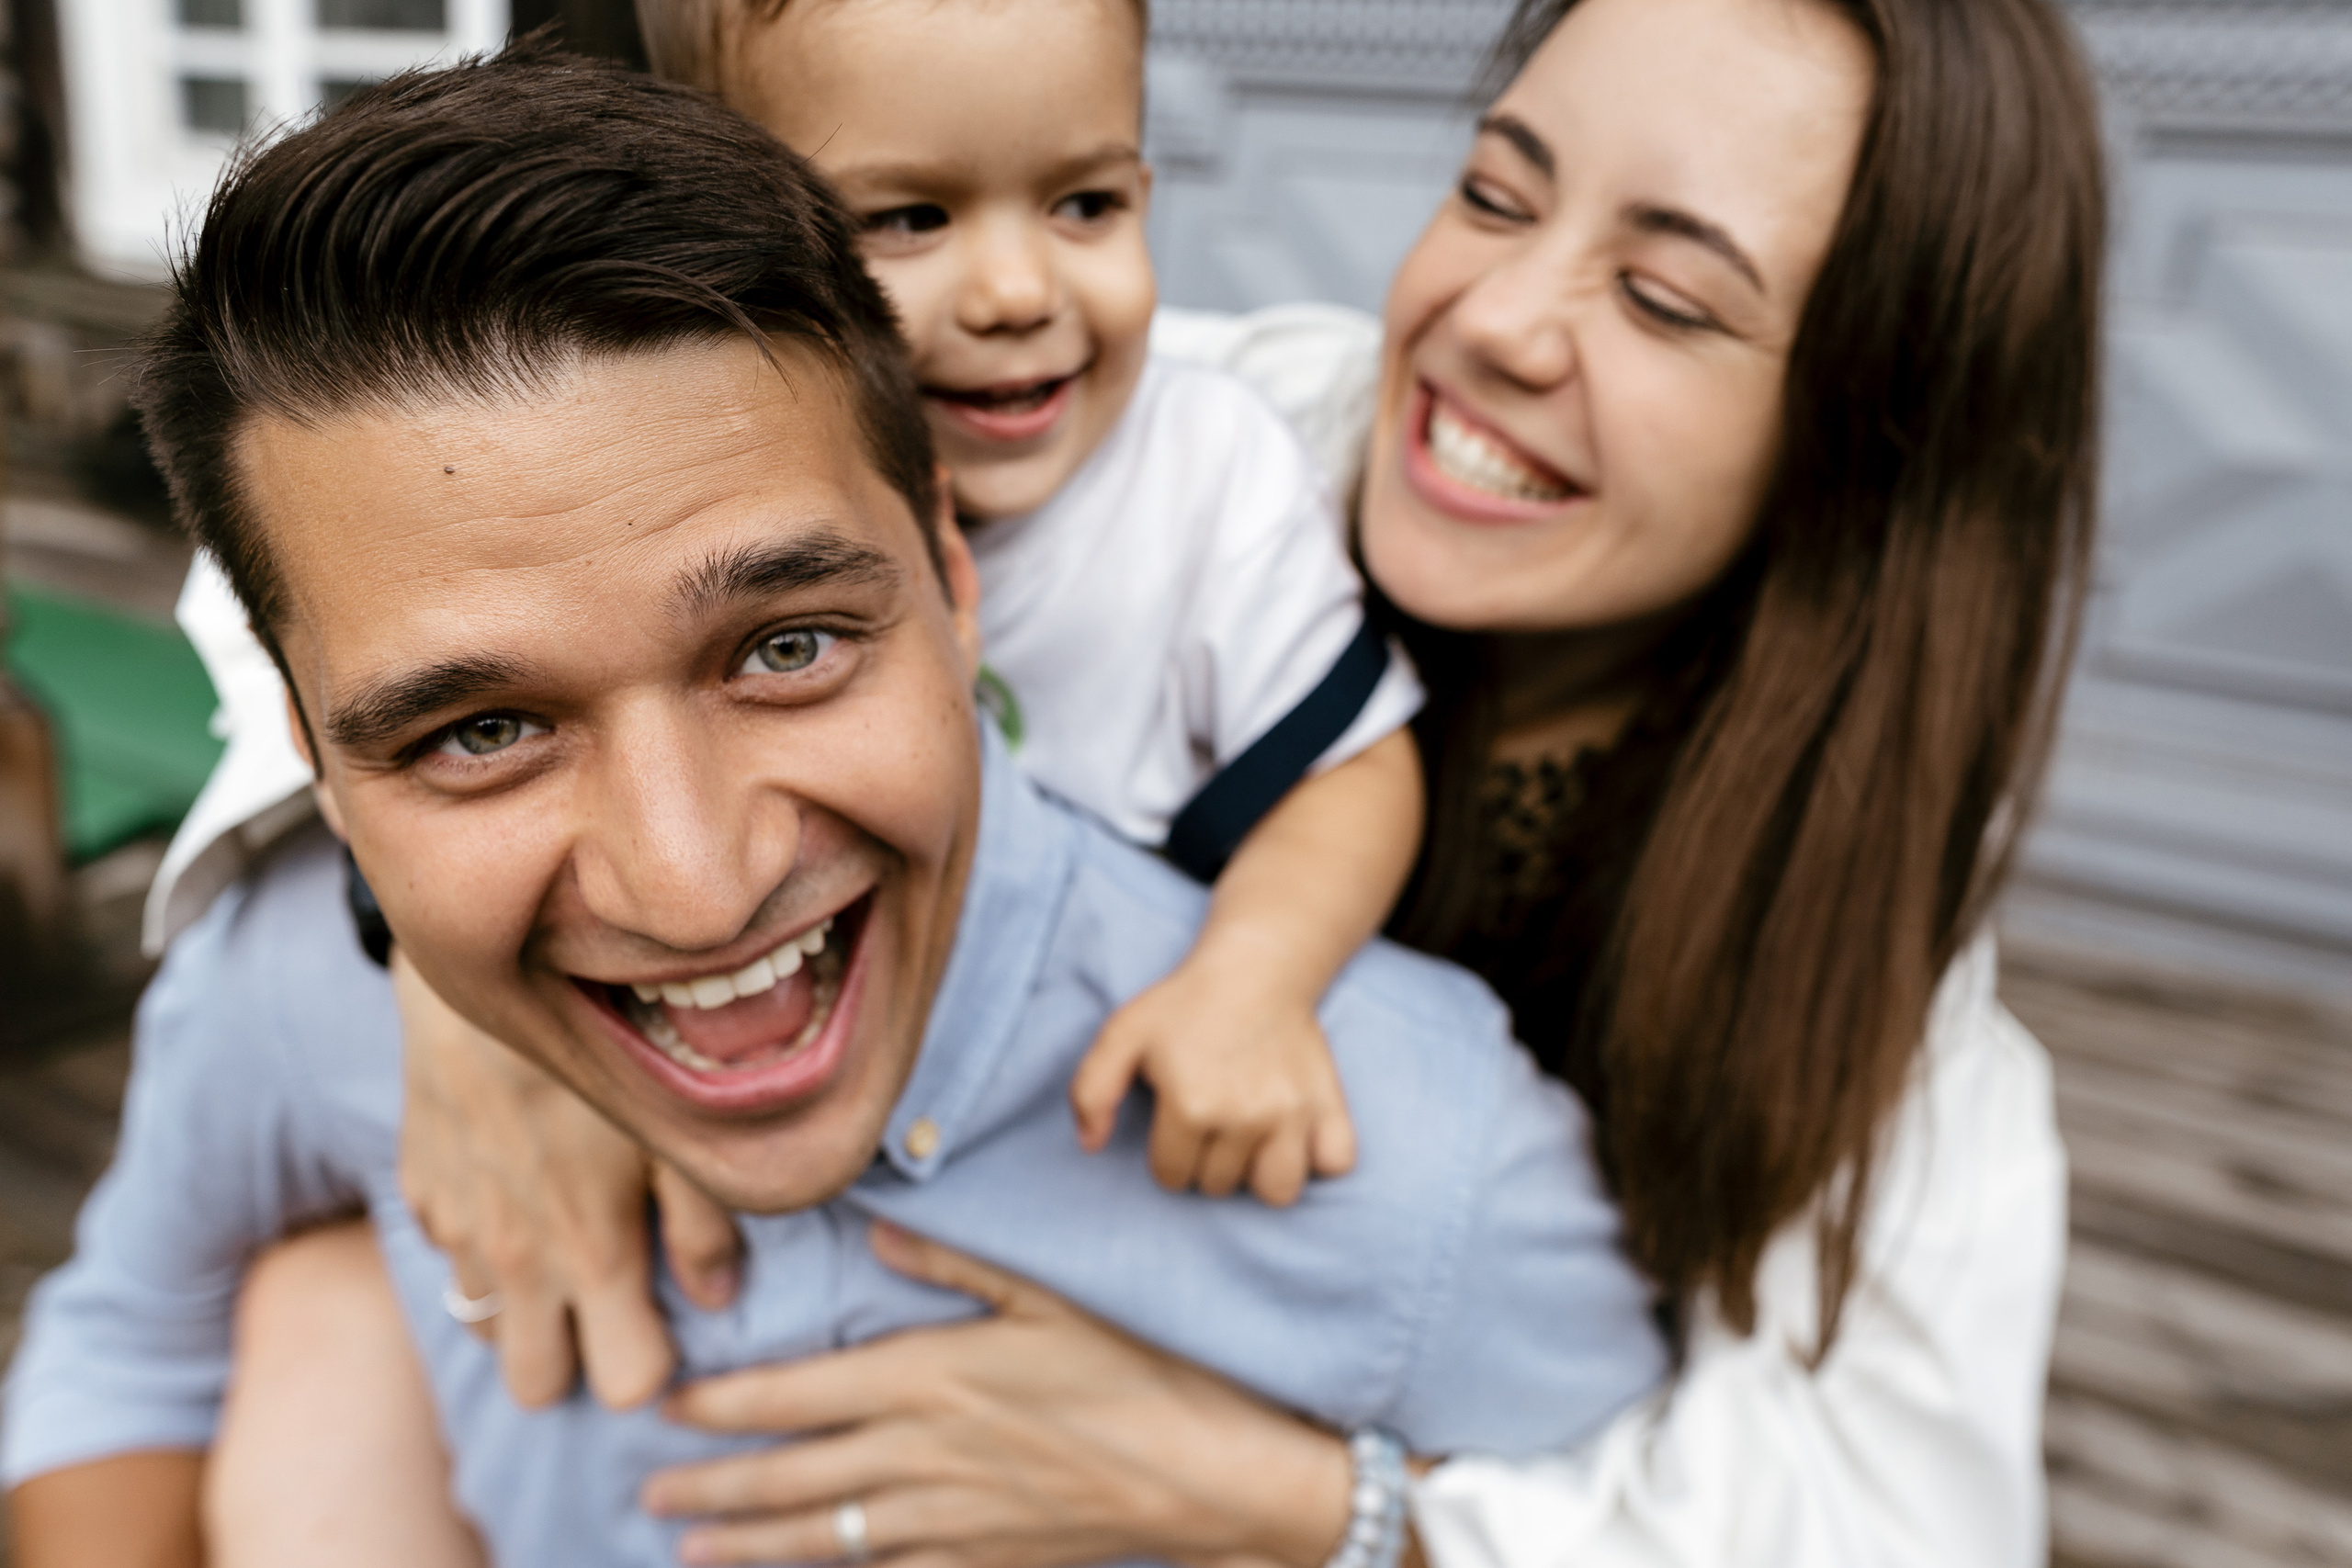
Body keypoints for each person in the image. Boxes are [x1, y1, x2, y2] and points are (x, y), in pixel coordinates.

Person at [324, 0, 2104, 1562]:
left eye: (1660, 295)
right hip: (794, 1336)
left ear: (1873, 438)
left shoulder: (1882, 1016)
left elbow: (1892, 1528)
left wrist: (1291, 1497)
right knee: (305, 1331)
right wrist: (453, 999)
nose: (1498, 317)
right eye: (1494, 189)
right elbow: (387, 525)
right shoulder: (1162, 425)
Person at [0, 50, 1667, 1568]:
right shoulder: (301, 981)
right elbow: (135, 1335)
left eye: (786, 647)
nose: (695, 884)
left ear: (953, 568)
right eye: (482, 730)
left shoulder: (1425, 1165)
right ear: (316, 754)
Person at [149, 0, 1428, 1224]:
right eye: (911, 218)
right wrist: (426, 961)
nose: (1014, 292)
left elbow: (1353, 763)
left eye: (1084, 203)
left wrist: (1252, 983)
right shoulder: (507, 461)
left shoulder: (1214, 459)